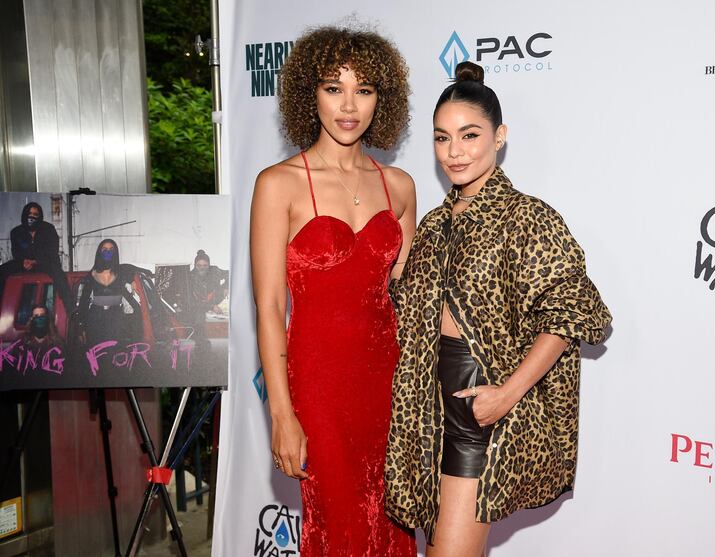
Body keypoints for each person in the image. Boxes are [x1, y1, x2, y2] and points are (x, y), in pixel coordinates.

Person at [384, 61, 613, 556]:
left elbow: (571, 313)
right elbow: (406, 308)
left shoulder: (528, 217)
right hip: (423, 407)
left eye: (469, 135)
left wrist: (507, 395)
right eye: (442, 138)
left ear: (500, 135)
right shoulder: (433, 224)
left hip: (477, 407)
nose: (455, 151)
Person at [249, 26, 417, 556]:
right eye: (333, 87)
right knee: (342, 526)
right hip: (320, 384)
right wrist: (282, 413)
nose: (349, 105)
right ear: (309, 93)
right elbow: (271, 307)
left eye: (363, 90)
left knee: (392, 524)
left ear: (380, 99)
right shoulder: (279, 184)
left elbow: (405, 297)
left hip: (389, 381)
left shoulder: (400, 186)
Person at [0, 202, 73, 309]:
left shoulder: (49, 229)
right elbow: (16, 252)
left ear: (40, 216)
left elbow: (52, 252)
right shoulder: (16, 232)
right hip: (24, 264)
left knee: (59, 275)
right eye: (29, 213)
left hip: (45, 263)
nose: (32, 216)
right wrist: (23, 262)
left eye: (35, 214)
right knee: (3, 270)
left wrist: (36, 261)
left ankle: (71, 310)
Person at [75, 239, 145, 346]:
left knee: (114, 353)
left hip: (115, 319)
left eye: (111, 250)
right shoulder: (91, 274)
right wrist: (80, 327)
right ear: (99, 252)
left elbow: (131, 268)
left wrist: (132, 280)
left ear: (115, 253)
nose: (108, 252)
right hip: (95, 319)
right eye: (105, 249)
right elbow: (83, 302)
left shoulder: (120, 272)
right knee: (97, 353)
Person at [188, 249, 228, 339]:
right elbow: (192, 302)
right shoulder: (190, 277)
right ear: (195, 265)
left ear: (209, 265)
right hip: (200, 304)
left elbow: (229, 274)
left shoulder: (214, 270)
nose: (202, 268)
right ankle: (202, 345)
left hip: (214, 298)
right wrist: (211, 307)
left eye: (205, 265)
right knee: (199, 322)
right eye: (199, 265)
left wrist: (226, 287)